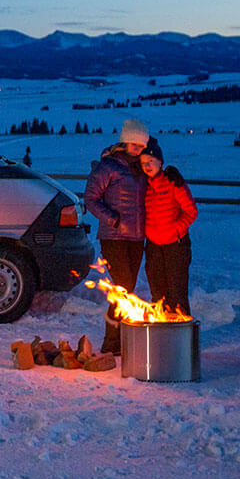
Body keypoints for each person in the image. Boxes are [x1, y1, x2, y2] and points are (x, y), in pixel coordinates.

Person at [84, 118, 157, 353]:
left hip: (137, 238)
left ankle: (121, 340)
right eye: (133, 144)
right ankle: (111, 342)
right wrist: (111, 219)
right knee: (122, 288)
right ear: (124, 142)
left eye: (141, 145)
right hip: (113, 236)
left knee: (128, 289)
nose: (137, 149)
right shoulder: (108, 167)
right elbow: (90, 199)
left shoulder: (142, 169)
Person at [139, 142, 197, 315]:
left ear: (160, 162)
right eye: (143, 163)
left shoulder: (173, 182)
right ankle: (162, 332)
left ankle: (182, 336)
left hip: (176, 245)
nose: (147, 166)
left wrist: (174, 229)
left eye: (150, 160)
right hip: (153, 245)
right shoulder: (145, 186)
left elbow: (191, 211)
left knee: (177, 291)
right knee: (158, 292)